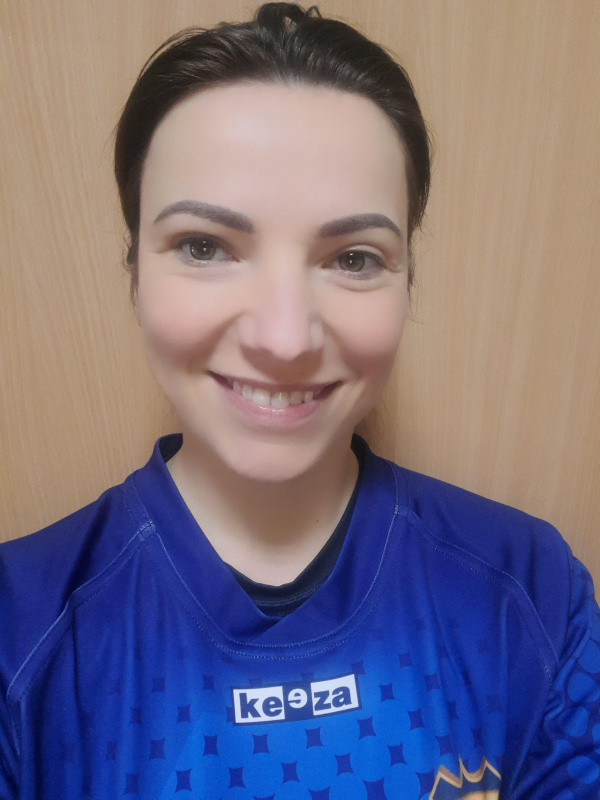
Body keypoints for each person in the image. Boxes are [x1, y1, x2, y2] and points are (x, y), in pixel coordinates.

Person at [1, 3, 599, 798]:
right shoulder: (17, 629)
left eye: (353, 258)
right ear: (134, 272)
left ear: (409, 282)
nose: (284, 338)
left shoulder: (530, 592)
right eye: (205, 247)